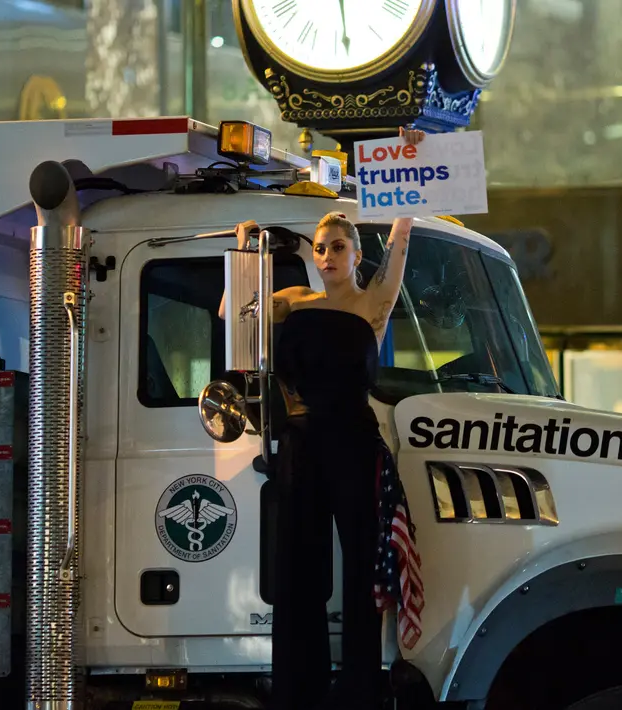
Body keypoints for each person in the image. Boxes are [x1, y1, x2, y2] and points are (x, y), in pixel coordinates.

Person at [218, 127, 426, 710]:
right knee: (297, 568)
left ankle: (359, 688)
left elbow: (404, 230)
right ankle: (299, 690)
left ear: (357, 255)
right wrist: (242, 256)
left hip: (354, 443)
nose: (326, 255)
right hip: (302, 441)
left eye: (337, 246)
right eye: (320, 246)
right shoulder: (292, 300)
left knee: (360, 566)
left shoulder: (373, 301)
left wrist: (412, 156)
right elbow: (232, 318)